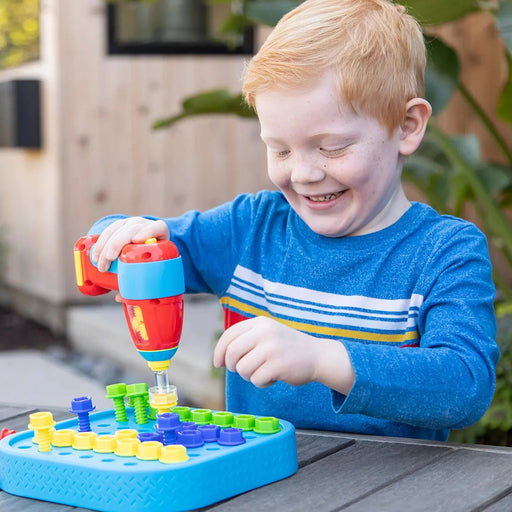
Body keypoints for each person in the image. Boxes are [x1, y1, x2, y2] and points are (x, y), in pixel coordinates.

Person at [89, 0, 499, 441]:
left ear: (406, 126)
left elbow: (464, 385)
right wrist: (120, 237)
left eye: (331, 147)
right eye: (280, 149)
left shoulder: (445, 252)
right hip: (261, 476)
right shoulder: (251, 228)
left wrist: (322, 360)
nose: (303, 173)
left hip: (388, 481)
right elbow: (149, 246)